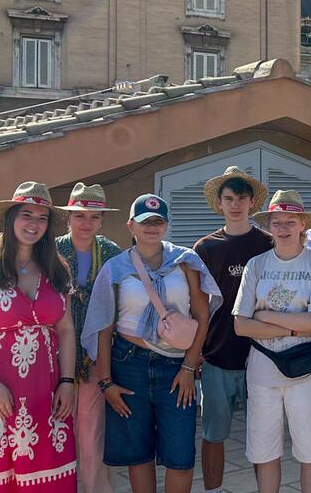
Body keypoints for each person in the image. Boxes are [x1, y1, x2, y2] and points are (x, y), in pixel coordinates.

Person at [81, 194, 220, 493]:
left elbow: (202, 313)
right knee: (138, 453)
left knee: (180, 454)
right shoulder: (116, 268)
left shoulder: (185, 261)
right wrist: (106, 382)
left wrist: (188, 366)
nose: (151, 228)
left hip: (175, 365)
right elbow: (104, 327)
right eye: (145, 222)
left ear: (167, 225)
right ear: (131, 225)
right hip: (129, 363)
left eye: (158, 222)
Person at [0, 181, 78, 492]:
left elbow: (66, 328)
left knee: (45, 472)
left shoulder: (57, 269)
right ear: (11, 219)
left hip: (45, 392)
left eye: (42, 218)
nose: (34, 224)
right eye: (26, 215)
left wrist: (68, 381)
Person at [232, 190, 311, 493]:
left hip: (306, 370)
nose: (284, 227)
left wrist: (264, 317)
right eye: (277, 222)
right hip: (263, 370)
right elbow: (240, 324)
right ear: (270, 226)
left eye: (291, 221)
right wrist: (291, 328)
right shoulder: (256, 265)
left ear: (303, 224)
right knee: (265, 453)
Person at [194, 167, 273, 493]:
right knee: (213, 434)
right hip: (216, 356)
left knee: (263, 437)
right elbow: (195, 305)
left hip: (262, 356)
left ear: (252, 201)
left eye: (242, 198)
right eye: (229, 198)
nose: (236, 204)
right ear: (220, 203)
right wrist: (195, 351)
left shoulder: (268, 243)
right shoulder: (205, 248)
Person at [55, 183, 124, 493]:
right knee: (56, 429)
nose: (86, 223)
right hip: (54, 355)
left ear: (101, 221)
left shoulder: (111, 253)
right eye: (80, 215)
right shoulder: (50, 250)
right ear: (68, 218)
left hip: (96, 356)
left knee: (92, 430)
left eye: (93, 217)